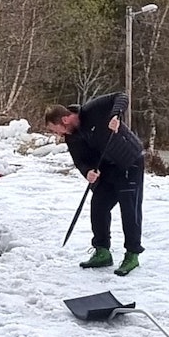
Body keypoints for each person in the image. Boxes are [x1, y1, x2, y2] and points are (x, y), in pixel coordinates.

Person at [44, 93, 146, 276]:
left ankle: (132, 254)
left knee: (129, 209)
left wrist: (116, 115)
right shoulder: (72, 137)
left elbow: (121, 97)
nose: (57, 134)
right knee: (98, 206)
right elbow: (80, 161)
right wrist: (88, 172)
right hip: (106, 168)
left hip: (129, 161)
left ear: (65, 119)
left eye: (55, 129)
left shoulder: (93, 109)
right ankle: (102, 251)